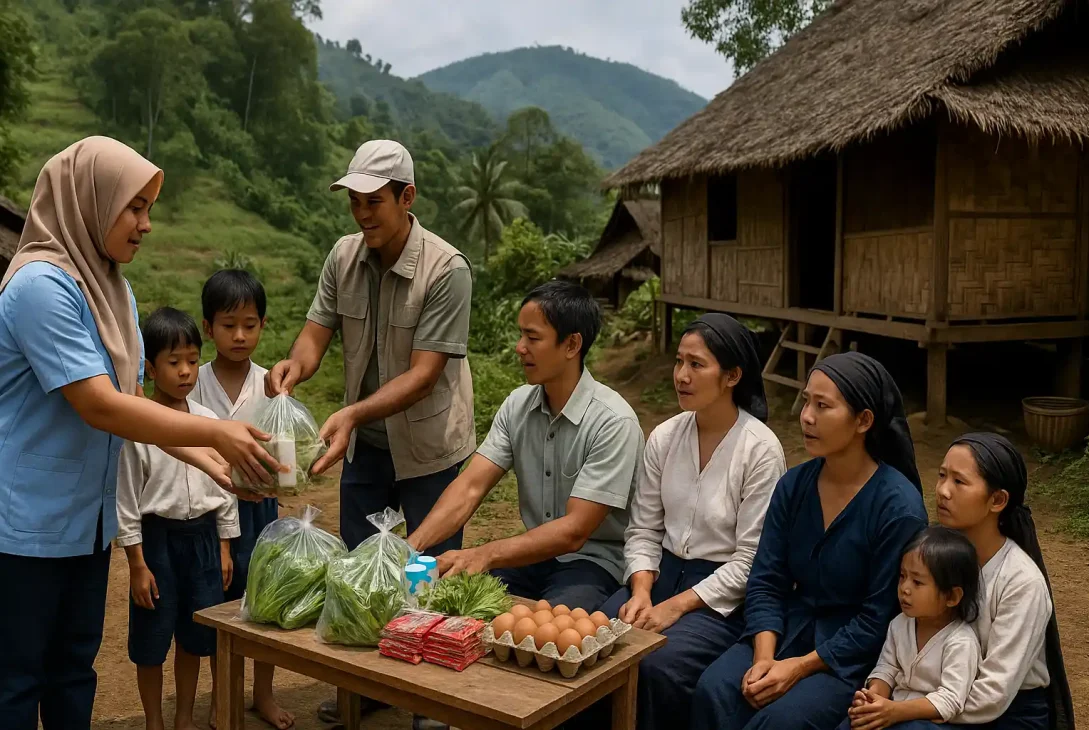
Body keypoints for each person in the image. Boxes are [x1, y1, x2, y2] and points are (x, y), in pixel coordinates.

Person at [0, 137, 278, 729]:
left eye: (149, 208)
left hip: (85, 522)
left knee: (75, 667)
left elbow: (131, 405)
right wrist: (220, 432)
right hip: (26, 526)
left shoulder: (111, 289)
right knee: (19, 677)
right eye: (135, 206)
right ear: (91, 201)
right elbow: (101, 406)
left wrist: (211, 461)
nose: (147, 224)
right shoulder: (39, 288)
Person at [265, 139, 474, 726]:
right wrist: (294, 366)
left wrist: (353, 411)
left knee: (426, 569)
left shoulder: (446, 270)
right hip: (365, 449)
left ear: (407, 198)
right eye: (354, 202)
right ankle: (371, 685)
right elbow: (315, 332)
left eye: (373, 202)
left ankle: (432, 699)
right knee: (361, 573)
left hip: (429, 447)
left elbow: (426, 374)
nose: (361, 215)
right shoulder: (343, 257)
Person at [691, 351, 928, 730]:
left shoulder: (898, 509)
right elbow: (767, 579)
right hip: (786, 629)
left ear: (863, 420)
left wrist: (797, 669)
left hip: (850, 656)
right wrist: (764, 658)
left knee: (779, 722)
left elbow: (879, 618)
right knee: (715, 690)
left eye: (823, 406)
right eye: (806, 401)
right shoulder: (795, 485)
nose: (806, 416)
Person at [597, 314, 786, 730]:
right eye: (679, 361)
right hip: (659, 574)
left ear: (732, 376)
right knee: (593, 641)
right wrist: (642, 589)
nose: (681, 375)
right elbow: (644, 528)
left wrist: (675, 607)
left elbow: (750, 560)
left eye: (696, 364)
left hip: (720, 597)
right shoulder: (664, 437)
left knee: (655, 666)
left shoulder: (759, 452)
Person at [407, 280, 643, 612]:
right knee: (452, 604)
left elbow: (575, 531)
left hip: (593, 563)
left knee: (543, 630)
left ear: (572, 344)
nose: (520, 347)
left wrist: (485, 553)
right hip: (531, 555)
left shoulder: (613, 422)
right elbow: (470, 486)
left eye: (532, 338)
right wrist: (409, 546)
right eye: (522, 335)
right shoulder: (517, 405)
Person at [117, 308, 240, 730]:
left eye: (192, 359)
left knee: (197, 636)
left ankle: (184, 717)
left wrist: (224, 547)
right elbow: (127, 500)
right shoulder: (138, 428)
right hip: (157, 543)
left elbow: (225, 493)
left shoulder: (209, 424)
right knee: (151, 640)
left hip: (204, 541)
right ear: (150, 369)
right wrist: (137, 563)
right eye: (173, 362)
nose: (185, 371)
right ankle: (155, 721)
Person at [191, 270, 293, 729]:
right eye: (228, 324)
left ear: (263, 325)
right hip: (211, 516)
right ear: (208, 327)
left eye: (250, 324)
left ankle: (263, 694)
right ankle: (223, 695)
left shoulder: (269, 385)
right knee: (220, 606)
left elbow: (285, 448)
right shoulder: (193, 382)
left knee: (264, 601)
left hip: (260, 511)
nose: (239, 335)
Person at [934, 433, 1074, 729]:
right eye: (942, 475)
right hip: (941, 695)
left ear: (997, 500)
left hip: (1007, 715)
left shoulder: (1021, 582)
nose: (943, 491)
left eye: (959, 482)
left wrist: (911, 708)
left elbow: (992, 695)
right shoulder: (932, 557)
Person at [842, 526, 982, 730]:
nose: (904, 588)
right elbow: (887, 668)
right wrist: (874, 699)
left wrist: (895, 711)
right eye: (902, 576)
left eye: (917, 582)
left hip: (932, 724)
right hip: (894, 712)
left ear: (951, 596)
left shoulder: (960, 641)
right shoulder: (899, 624)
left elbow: (950, 700)